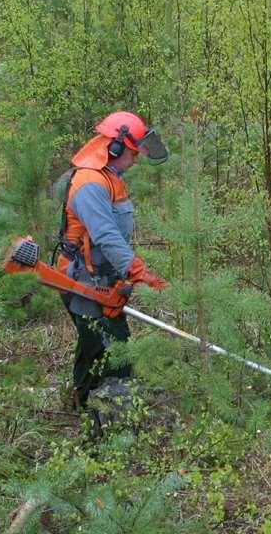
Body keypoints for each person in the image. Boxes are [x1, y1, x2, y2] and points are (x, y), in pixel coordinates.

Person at [56, 111, 170, 408]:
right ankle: (95, 413)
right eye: (133, 153)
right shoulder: (90, 183)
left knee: (105, 345)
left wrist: (123, 274)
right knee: (106, 348)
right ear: (115, 148)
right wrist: (138, 271)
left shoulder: (109, 177)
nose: (136, 159)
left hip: (105, 280)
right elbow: (106, 235)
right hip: (82, 282)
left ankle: (99, 407)